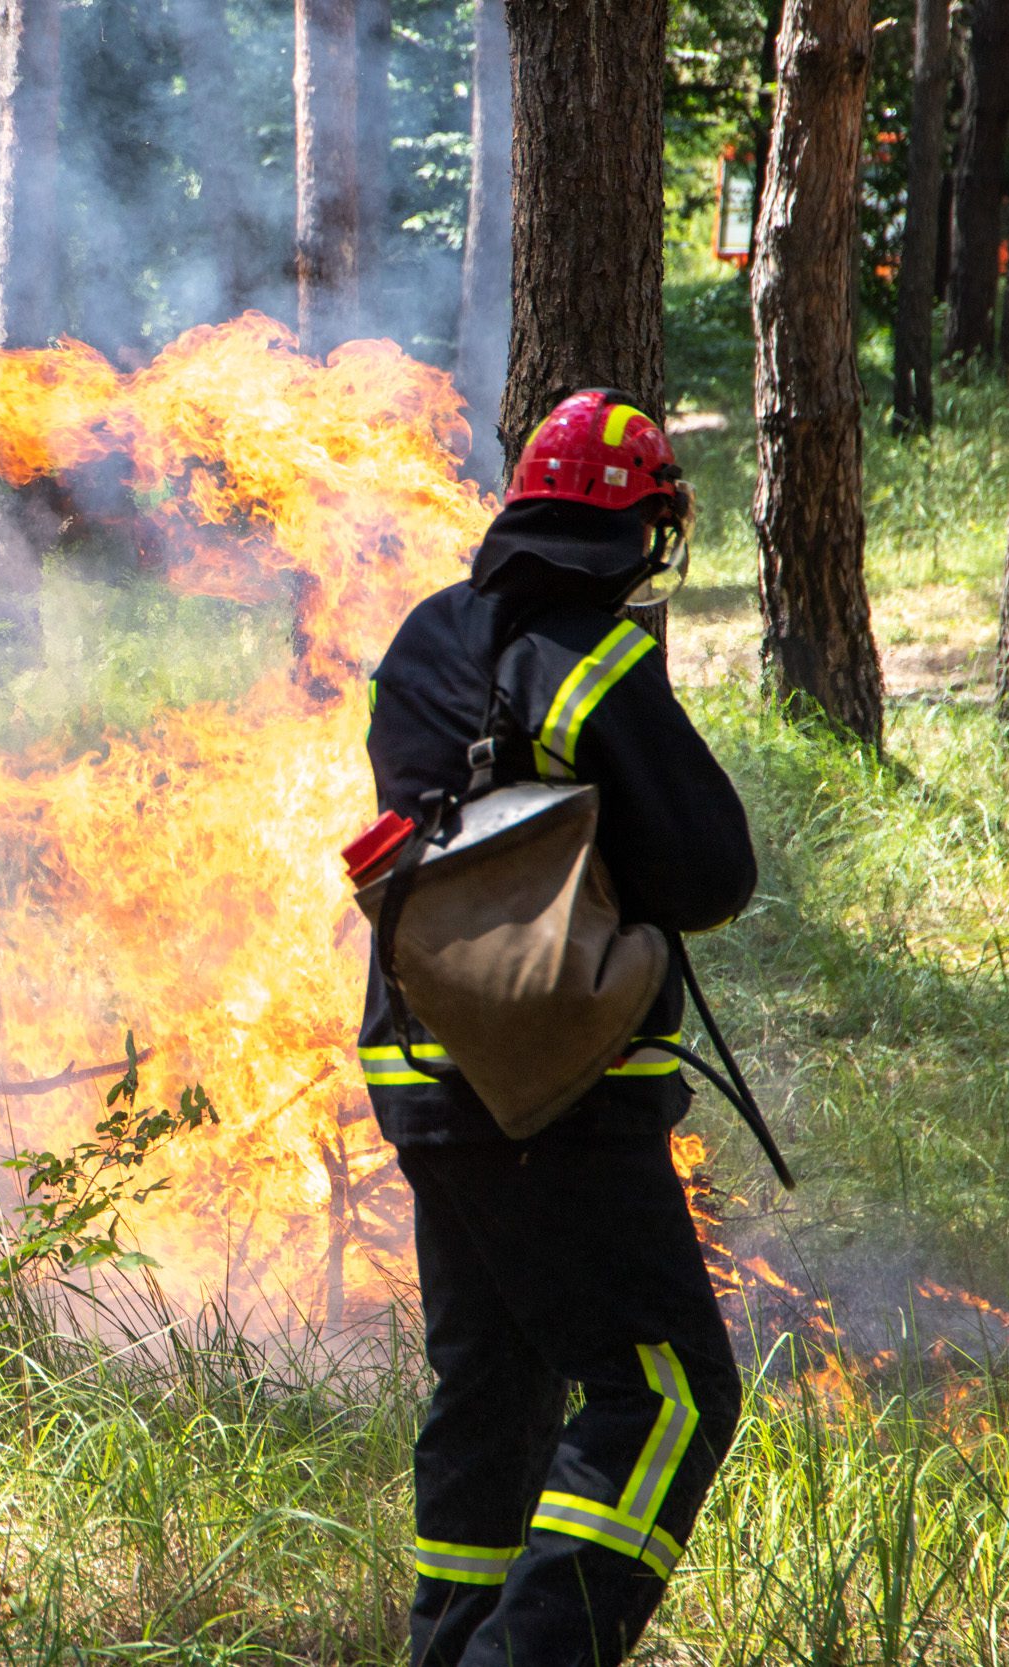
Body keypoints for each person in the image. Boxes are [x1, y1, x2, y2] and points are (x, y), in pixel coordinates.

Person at [356, 391, 758, 1665]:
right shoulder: (598, 658)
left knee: (492, 1384)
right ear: (643, 531)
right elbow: (709, 872)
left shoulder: (424, 639)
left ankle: (449, 1643)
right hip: (553, 1091)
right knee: (670, 1389)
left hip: (418, 1068)